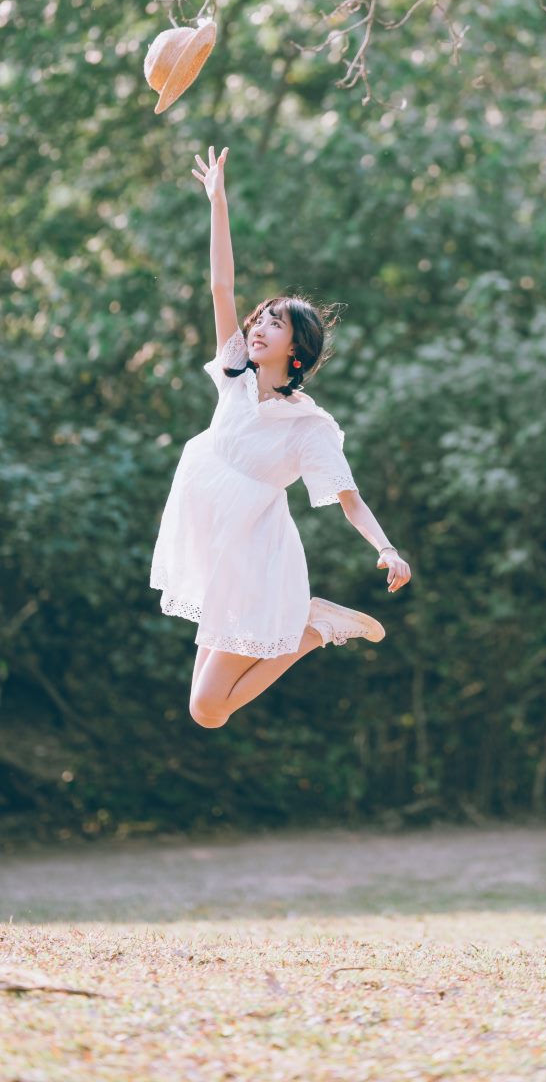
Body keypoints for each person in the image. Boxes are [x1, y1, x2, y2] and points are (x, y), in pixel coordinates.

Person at [150, 144, 412, 729]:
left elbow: (349, 499)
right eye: (260, 319)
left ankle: (313, 628)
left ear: (297, 349)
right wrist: (218, 202)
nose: (258, 327)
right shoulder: (236, 379)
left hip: (256, 564)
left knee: (208, 710)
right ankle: (311, 626)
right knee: (204, 708)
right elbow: (221, 287)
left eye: (275, 323)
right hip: (218, 555)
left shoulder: (308, 427)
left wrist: (386, 549)